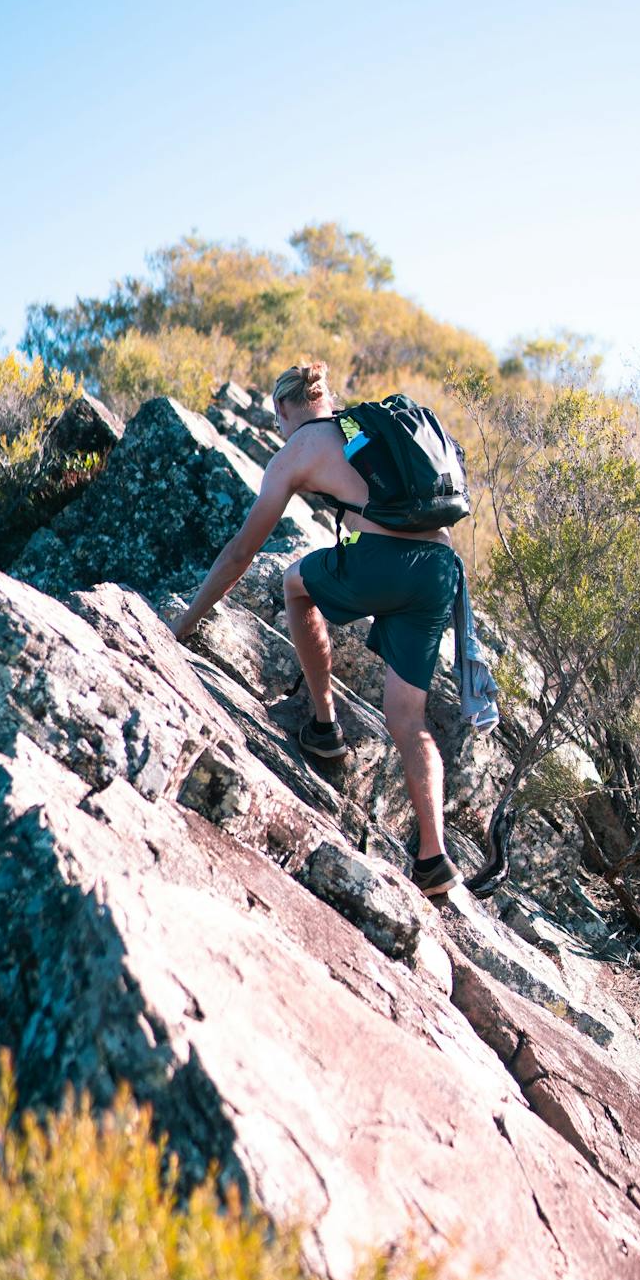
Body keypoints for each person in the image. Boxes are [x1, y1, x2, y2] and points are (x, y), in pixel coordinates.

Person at [169, 360, 462, 896]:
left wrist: (185, 623)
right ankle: (433, 857)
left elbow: (239, 554)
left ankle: (324, 727)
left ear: (283, 410)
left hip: (383, 561)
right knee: (407, 718)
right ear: (325, 399)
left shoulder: (297, 451)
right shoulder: (367, 431)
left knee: (294, 582)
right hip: (441, 570)